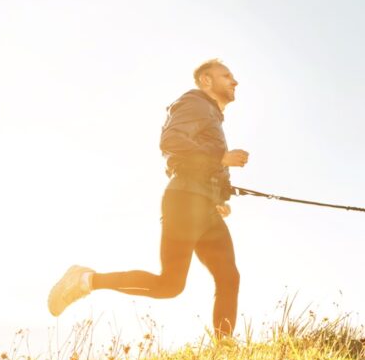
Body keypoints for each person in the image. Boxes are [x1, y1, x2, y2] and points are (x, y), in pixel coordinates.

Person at [48, 59, 249, 338]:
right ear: (206, 80)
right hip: (185, 201)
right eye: (226, 76)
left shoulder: (212, 115)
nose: (234, 81)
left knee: (229, 277)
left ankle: (224, 348)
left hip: (204, 206)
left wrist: (220, 196)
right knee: (170, 285)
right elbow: (171, 142)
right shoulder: (195, 103)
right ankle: (85, 280)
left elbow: (201, 162)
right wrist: (220, 157)